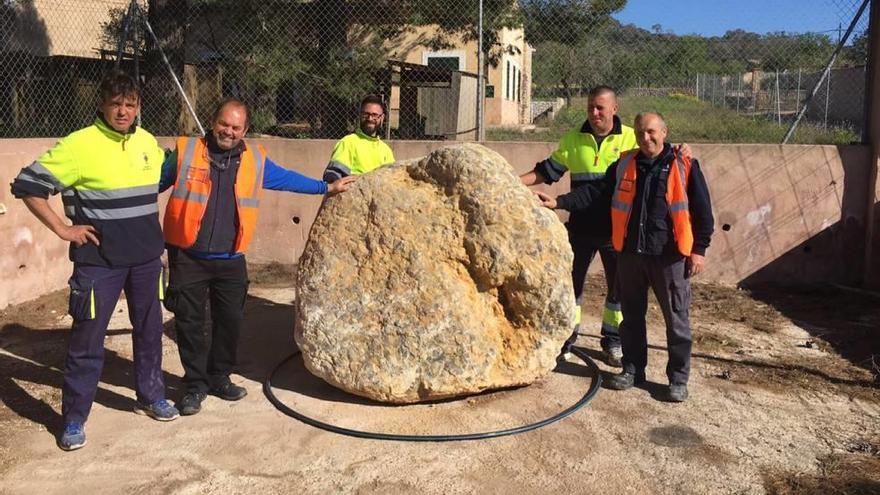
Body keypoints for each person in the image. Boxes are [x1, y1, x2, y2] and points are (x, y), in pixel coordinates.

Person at [10, 70, 179, 451]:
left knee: (150, 332)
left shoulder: (147, 142)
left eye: (130, 104)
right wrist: (62, 229)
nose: (123, 111)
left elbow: (161, 177)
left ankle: (151, 397)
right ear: (102, 104)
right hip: (98, 263)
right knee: (88, 341)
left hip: (147, 261)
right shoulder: (77, 145)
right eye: (116, 103)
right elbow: (27, 185)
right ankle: (73, 419)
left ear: (138, 108)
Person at [160, 98, 355, 415]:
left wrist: (326, 188)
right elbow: (146, 184)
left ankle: (219, 377)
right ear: (213, 122)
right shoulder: (185, 152)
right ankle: (195, 385)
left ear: (245, 130)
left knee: (230, 322)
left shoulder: (255, 161)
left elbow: (289, 179)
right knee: (190, 324)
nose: (229, 131)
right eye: (224, 124)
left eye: (236, 127)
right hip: (189, 256)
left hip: (230, 259)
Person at [536, 112, 714, 402]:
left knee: (677, 322)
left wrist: (699, 251)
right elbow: (594, 192)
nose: (646, 137)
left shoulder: (684, 165)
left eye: (652, 132)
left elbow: (703, 212)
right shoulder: (625, 164)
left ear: (665, 132)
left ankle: (678, 379)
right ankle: (633, 369)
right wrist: (559, 203)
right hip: (631, 256)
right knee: (631, 318)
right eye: (641, 132)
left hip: (669, 258)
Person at [323, 94, 395, 183]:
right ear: (360, 115)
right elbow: (333, 177)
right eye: (366, 114)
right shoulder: (348, 142)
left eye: (375, 115)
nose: (370, 118)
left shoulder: (386, 150)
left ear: (382, 118)